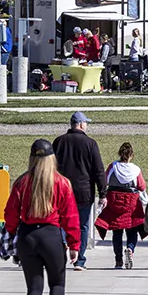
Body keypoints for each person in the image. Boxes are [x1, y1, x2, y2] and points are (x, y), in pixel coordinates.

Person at [4, 138, 80, 295]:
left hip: (28, 237)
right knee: (57, 283)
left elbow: (10, 213)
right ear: (52, 158)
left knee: (34, 288)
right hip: (51, 236)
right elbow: (71, 216)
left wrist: (11, 233)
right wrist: (75, 244)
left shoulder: (21, 182)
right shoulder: (62, 183)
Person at [52, 112, 106, 271]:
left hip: (62, 191)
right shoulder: (90, 143)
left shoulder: (59, 142)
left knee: (61, 224)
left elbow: (51, 167)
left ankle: (61, 254)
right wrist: (103, 193)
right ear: (81, 124)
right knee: (82, 225)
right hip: (84, 192)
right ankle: (79, 260)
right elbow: (98, 170)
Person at [94, 143, 147, 270]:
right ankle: (130, 248)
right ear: (132, 155)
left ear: (119, 153)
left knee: (117, 231)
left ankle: (118, 260)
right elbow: (142, 186)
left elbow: (104, 181)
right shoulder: (136, 169)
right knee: (132, 229)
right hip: (131, 203)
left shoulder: (113, 166)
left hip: (115, 202)